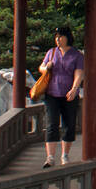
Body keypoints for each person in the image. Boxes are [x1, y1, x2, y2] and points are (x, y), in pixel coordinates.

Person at [40, 26, 85, 167]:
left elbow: (79, 73)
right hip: (52, 93)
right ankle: (50, 157)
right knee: (52, 124)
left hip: (69, 94)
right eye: (56, 37)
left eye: (60, 37)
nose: (58, 39)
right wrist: (46, 67)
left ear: (67, 37)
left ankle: (65, 155)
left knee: (69, 125)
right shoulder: (51, 52)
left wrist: (74, 89)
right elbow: (41, 68)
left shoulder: (77, 55)